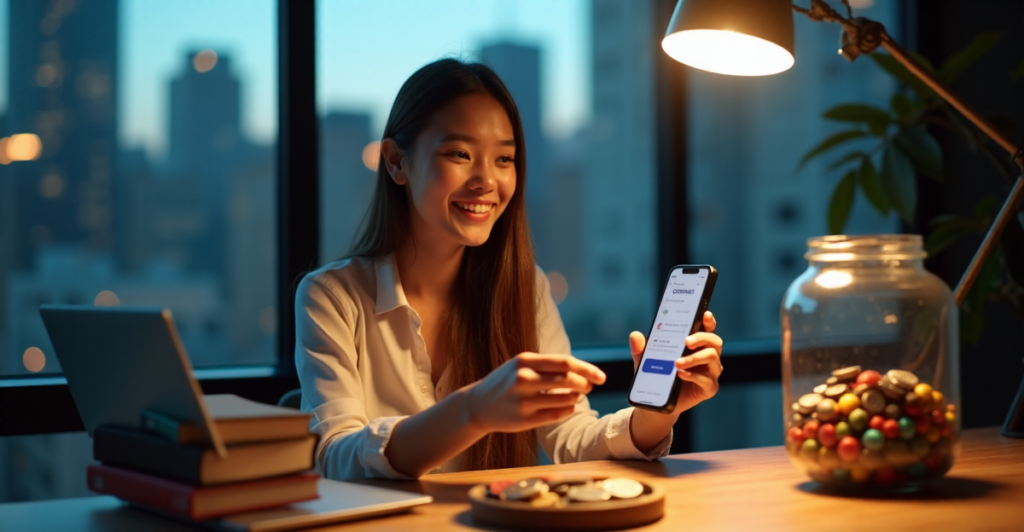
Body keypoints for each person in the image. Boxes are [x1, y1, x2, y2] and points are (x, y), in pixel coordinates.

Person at [295, 58, 724, 480]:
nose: (486, 180)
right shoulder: (331, 297)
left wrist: (658, 413)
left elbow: (570, 437)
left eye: (504, 159)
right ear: (396, 162)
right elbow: (335, 456)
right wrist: (473, 410)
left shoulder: (526, 288)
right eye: (459, 153)